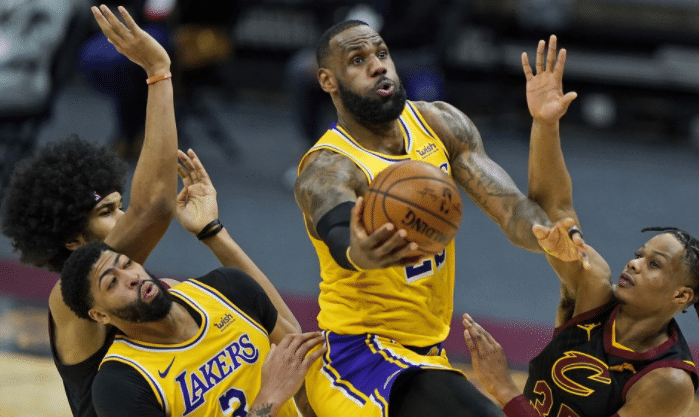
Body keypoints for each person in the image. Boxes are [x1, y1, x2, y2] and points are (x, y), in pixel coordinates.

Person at [293, 20, 581, 417]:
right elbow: (340, 231)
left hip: (426, 355)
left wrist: (546, 233)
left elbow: (514, 210)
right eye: (358, 60)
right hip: (360, 358)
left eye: (381, 54)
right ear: (327, 80)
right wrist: (360, 252)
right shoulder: (329, 167)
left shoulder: (439, 123)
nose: (378, 66)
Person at [462, 36, 698, 417]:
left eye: (654, 264)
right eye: (639, 255)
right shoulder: (595, 289)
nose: (633, 264)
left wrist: (504, 389)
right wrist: (545, 124)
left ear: (681, 296)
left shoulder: (668, 380)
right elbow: (555, 208)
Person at [0, 5, 179, 416]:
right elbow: (155, 205)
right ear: (73, 241)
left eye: (119, 205)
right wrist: (158, 73)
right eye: (108, 212)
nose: (125, 217)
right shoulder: (71, 297)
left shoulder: (133, 281)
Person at [59, 240, 326, 417]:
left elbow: (306, 376)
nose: (132, 278)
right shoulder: (119, 385)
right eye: (112, 283)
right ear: (100, 315)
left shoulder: (227, 288)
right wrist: (269, 399)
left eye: (128, 264)